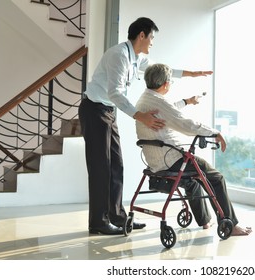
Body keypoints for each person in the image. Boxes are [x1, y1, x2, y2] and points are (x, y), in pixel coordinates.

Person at [78, 17, 213, 235]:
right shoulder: (119, 56)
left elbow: (161, 69)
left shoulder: (136, 58)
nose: (152, 42)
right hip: (94, 110)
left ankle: (117, 217)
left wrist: (191, 73)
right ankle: (98, 223)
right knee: (100, 167)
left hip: (107, 111)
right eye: (151, 37)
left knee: (116, 166)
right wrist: (140, 116)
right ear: (142, 35)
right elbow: (115, 92)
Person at [135, 63, 252, 236]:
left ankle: (205, 220)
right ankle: (230, 225)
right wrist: (214, 132)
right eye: (171, 82)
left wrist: (187, 102)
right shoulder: (159, 102)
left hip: (154, 160)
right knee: (216, 178)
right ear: (166, 83)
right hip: (171, 159)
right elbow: (186, 125)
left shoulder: (144, 99)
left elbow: (168, 110)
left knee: (193, 181)